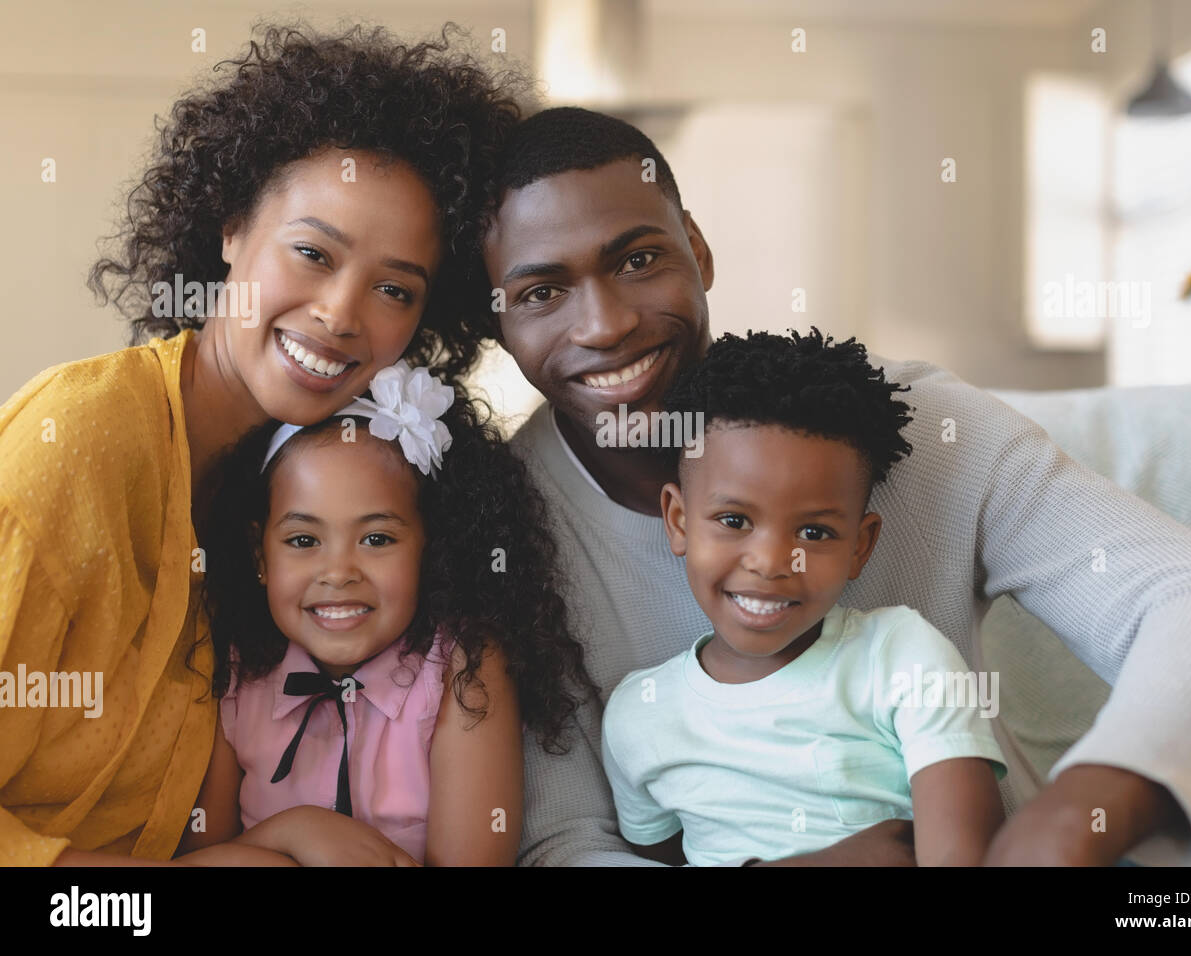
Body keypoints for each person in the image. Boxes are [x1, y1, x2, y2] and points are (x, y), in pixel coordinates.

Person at [480, 106, 1191, 866]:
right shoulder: (504, 519)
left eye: (639, 258)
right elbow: (565, 840)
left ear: (698, 247)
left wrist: (1066, 823)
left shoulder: (914, 429)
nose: (604, 324)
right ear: (498, 319)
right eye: (542, 292)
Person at [0, 24, 524, 866]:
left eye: (394, 288)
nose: (341, 313)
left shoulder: (298, 480)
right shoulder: (85, 440)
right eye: (313, 252)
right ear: (232, 226)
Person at [601, 329, 1007, 867]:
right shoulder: (639, 715)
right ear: (679, 521)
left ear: (860, 546)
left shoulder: (901, 658)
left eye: (814, 533)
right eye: (733, 520)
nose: (771, 563)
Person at [173, 364, 593, 866]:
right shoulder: (238, 672)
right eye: (303, 541)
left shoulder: (463, 670)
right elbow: (199, 859)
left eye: (377, 539)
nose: (338, 573)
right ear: (261, 556)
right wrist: (296, 833)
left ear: (429, 548)